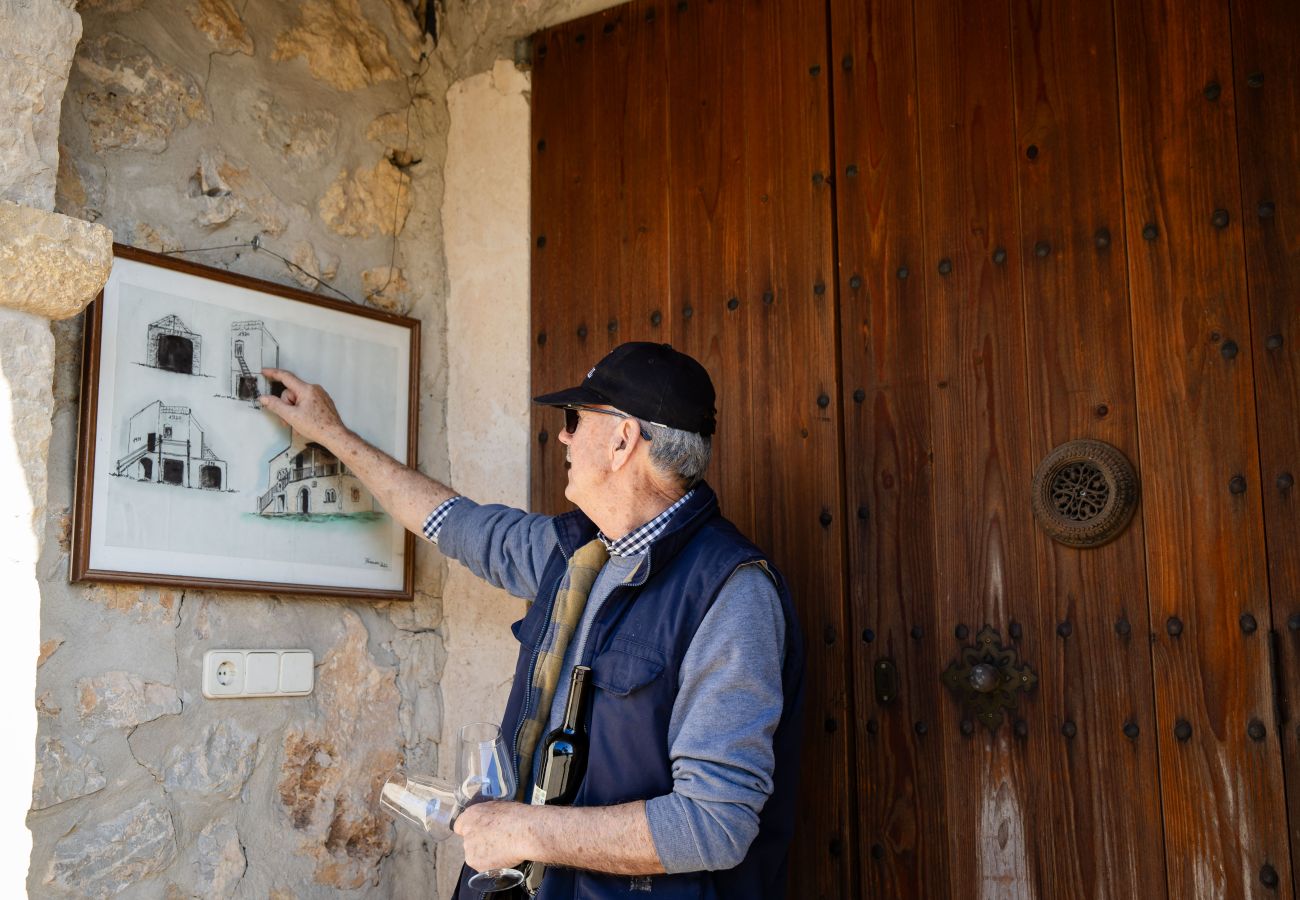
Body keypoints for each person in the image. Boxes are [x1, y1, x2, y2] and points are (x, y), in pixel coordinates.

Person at [259, 341, 804, 900]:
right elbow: (451, 522)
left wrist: (520, 830)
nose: (564, 436)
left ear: (622, 440)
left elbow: (714, 825)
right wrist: (332, 435)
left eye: (576, 420)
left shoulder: (732, 594)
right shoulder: (571, 552)